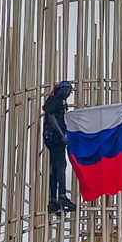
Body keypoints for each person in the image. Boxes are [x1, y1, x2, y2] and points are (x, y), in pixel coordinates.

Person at [43, 81, 76, 214]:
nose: (68, 93)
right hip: (54, 138)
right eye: (68, 90)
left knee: (55, 169)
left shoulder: (58, 101)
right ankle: (61, 196)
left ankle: (53, 201)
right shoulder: (55, 100)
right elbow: (51, 117)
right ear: (61, 90)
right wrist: (62, 135)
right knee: (61, 166)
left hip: (52, 137)